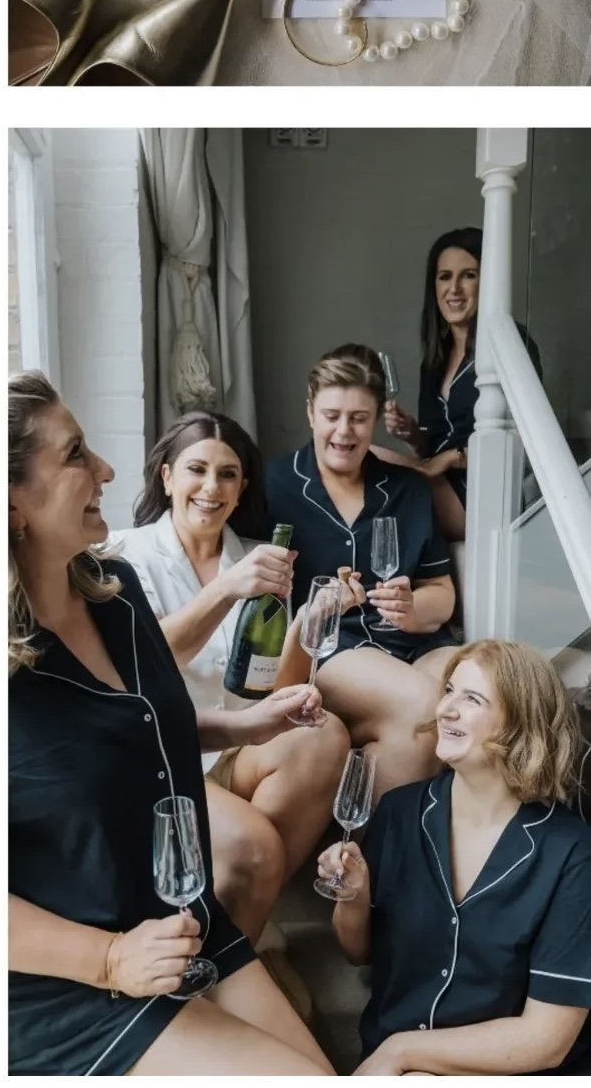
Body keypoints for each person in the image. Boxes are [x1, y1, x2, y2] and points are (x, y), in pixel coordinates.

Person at [8, 373, 333, 1076]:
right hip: (76, 980)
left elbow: (144, 729)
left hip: (183, 924)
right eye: (75, 455)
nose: (106, 469)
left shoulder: (116, 599)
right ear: (13, 503)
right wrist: (109, 958)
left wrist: (246, 727)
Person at [112, 410, 350, 945]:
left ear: (242, 488)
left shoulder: (253, 558)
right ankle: (243, 934)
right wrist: (224, 591)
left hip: (234, 747)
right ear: (167, 476)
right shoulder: (125, 558)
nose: (211, 487)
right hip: (165, 752)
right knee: (254, 844)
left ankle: (239, 925)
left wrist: (309, 624)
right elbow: (137, 663)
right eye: (197, 469)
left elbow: (266, 689)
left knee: (325, 733)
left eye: (227, 474)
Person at [319, 639, 591, 1075]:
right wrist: (354, 897)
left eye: (472, 698)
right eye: (449, 690)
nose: (445, 708)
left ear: (521, 721)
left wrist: (400, 1051)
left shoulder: (572, 854)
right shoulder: (399, 812)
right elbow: (359, 953)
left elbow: (545, 1041)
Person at [266, 345, 458, 797]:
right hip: (332, 650)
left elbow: (441, 589)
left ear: (375, 421)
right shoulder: (274, 486)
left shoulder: (407, 489)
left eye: (359, 418)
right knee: (423, 703)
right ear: (310, 412)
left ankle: (370, 845)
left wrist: (413, 608)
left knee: (486, 688)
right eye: (332, 415)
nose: (344, 431)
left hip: (417, 643)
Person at [381, 227, 542, 541]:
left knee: (367, 456)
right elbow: (432, 447)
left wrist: (453, 458)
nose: (454, 288)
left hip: (486, 497)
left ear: (488, 282)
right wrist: (413, 434)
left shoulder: (512, 344)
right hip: (443, 486)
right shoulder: (435, 360)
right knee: (357, 458)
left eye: (468, 275)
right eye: (444, 277)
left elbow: (528, 440)